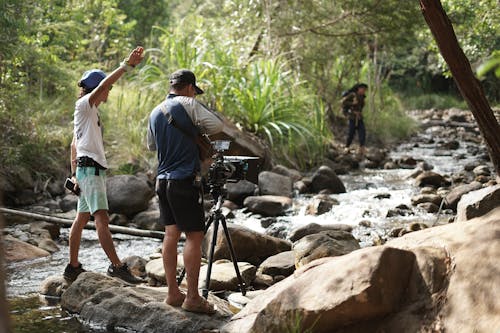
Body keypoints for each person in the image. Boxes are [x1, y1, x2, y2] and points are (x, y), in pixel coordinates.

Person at [64, 46, 145, 284]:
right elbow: (101, 86)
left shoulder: (89, 112)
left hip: (86, 170)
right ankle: (117, 266)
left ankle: (73, 267)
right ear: (97, 89)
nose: (108, 91)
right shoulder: (85, 105)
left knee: (81, 220)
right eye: (107, 88)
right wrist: (126, 65)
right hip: (90, 170)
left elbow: (73, 145)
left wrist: (74, 174)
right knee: (101, 218)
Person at [147, 69, 223, 314]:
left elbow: (151, 145)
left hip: (162, 181)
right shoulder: (189, 103)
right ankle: (192, 297)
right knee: (194, 236)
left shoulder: (155, 111)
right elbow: (216, 125)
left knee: (171, 234)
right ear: (190, 87)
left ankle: (172, 293)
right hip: (184, 180)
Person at [342, 83, 368, 156]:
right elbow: (343, 102)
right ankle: (347, 146)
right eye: (363, 89)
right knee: (351, 132)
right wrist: (352, 103)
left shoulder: (362, 97)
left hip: (359, 117)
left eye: (365, 90)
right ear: (359, 89)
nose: (364, 91)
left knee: (362, 132)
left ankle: (362, 148)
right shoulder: (352, 95)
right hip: (352, 117)